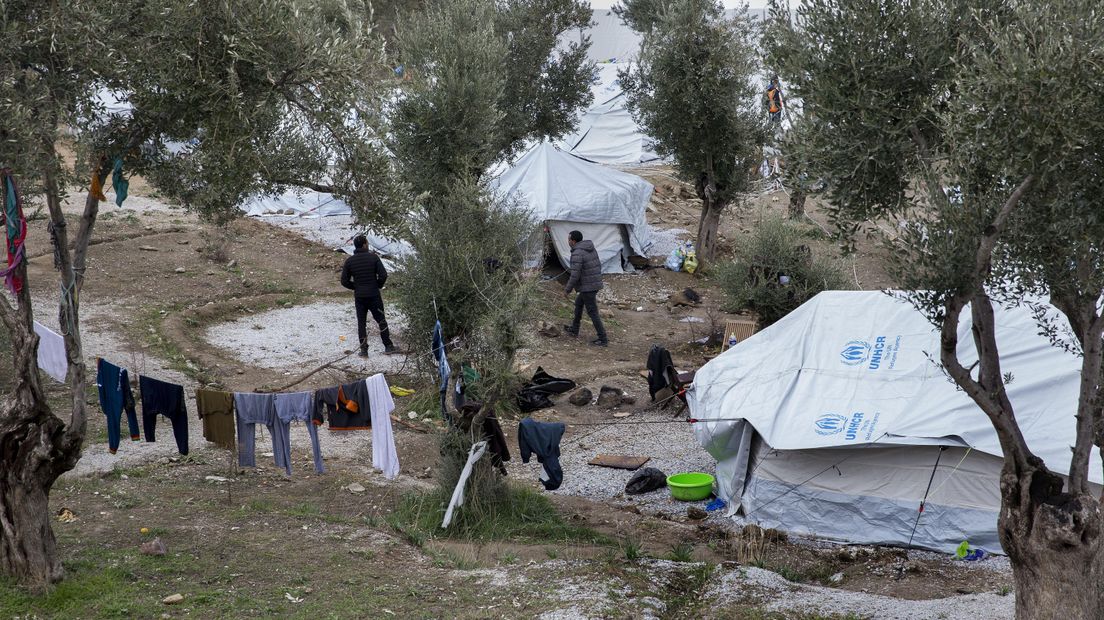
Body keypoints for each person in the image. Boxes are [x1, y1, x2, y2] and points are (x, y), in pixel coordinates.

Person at [341, 235, 398, 356]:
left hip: (360, 297)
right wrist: (377, 285)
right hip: (374, 295)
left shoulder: (350, 261)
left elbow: (344, 281)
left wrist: (356, 287)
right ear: (365, 244)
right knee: (381, 320)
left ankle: (364, 350)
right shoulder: (374, 258)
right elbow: (383, 275)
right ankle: (388, 346)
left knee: (361, 323)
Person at [562, 230, 608, 347]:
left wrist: (567, 289)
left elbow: (575, 275)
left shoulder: (577, 252)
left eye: (569, 239)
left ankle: (603, 339)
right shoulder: (590, 248)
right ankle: (574, 329)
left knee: (592, 312)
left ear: (573, 241)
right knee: (578, 304)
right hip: (592, 284)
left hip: (588, 286)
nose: (568, 241)